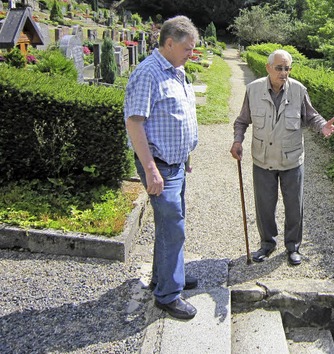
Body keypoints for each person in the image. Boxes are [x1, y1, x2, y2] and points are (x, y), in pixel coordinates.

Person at [230, 49, 334, 266]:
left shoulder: (298, 90)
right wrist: (237, 140)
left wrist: (322, 126)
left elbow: (311, 116)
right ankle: (267, 244)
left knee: (294, 206)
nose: (283, 72)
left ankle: (293, 247)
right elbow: (242, 121)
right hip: (263, 159)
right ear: (268, 67)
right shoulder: (253, 90)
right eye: (279, 68)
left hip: (291, 159)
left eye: (287, 68)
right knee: (264, 206)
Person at [124, 15, 200, 320]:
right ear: (169, 43)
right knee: (173, 228)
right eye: (187, 48)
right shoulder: (148, 74)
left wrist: (185, 155)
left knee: (170, 227)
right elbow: (134, 122)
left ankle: (168, 276)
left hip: (176, 163)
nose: (190, 54)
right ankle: (168, 295)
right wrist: (151, 169)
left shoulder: (176, 70)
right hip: (160, 167)